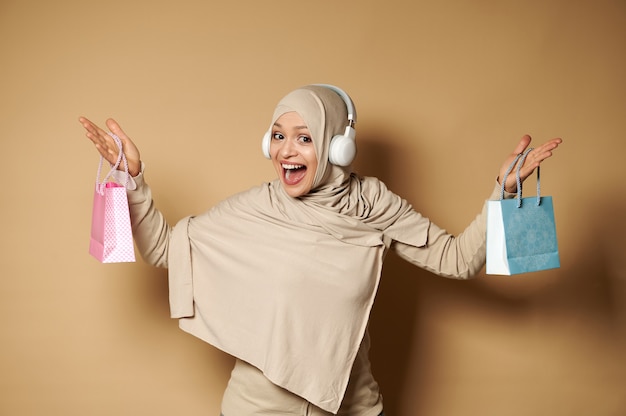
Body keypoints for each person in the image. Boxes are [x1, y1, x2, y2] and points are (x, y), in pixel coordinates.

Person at [79, 84, 562, 416]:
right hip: (259, 409)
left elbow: (458, 260)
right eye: (278, 136)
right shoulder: (254, 209)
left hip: (354, 405)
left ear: (337, 148)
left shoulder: (374, 204)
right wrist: (132, 179)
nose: (286, 150)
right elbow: (167, 248)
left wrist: (505, 189)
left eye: (305, 138)